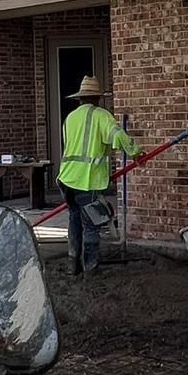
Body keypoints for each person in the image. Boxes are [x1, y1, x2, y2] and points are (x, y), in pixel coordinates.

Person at [56, 76, 135, 276]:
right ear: (98, 98)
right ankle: (91, 268)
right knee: (91, 224)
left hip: (66, 179)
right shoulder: (102, 115)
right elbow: (118, 136)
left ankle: (73, 263)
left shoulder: (70, 118)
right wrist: (136, 152)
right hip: (87, 180)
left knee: (74, 219)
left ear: (80, 98)